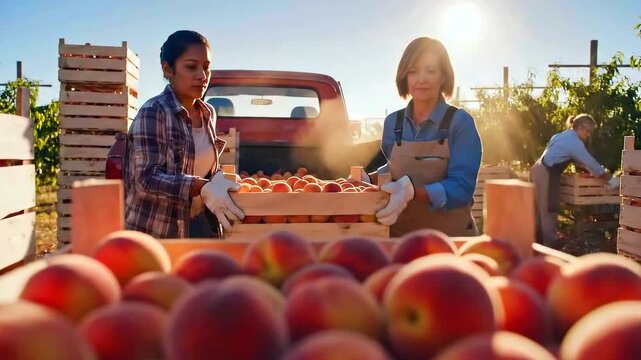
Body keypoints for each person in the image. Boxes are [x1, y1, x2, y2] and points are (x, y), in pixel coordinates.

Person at [123, 30, 244, 239]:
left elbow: (201, 165)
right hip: (158, 233)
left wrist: (217, 181)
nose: (202, 76)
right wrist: (201, 187)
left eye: (206, 68)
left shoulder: (208, 113)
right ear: (167, 69)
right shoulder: (154, 112)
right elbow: (146, 179)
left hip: (199, 225)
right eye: (191, 67)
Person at [362, 37, 482, 237]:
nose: (421, 79)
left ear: (443, 76)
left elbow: (462, 187)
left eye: (431, 71)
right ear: (405, 77)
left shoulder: (460, 123)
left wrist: (414, 193)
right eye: (413, 71)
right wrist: (369, 178)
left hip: (450, 239)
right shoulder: (393, 123)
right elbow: (397, 166)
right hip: (400, 238)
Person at [530, 114, 611, 247]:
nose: (588, 135)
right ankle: (549, 247)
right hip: (546, 173)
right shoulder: (574, 142)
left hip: (537, 169)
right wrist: (608, 177)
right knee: (548, 210)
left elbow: (579, 162)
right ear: (580, 127)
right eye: (588, 131)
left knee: (537, 210)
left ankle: (535, 244)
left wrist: (588, 169)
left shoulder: (562, 135)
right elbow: (590, 162)